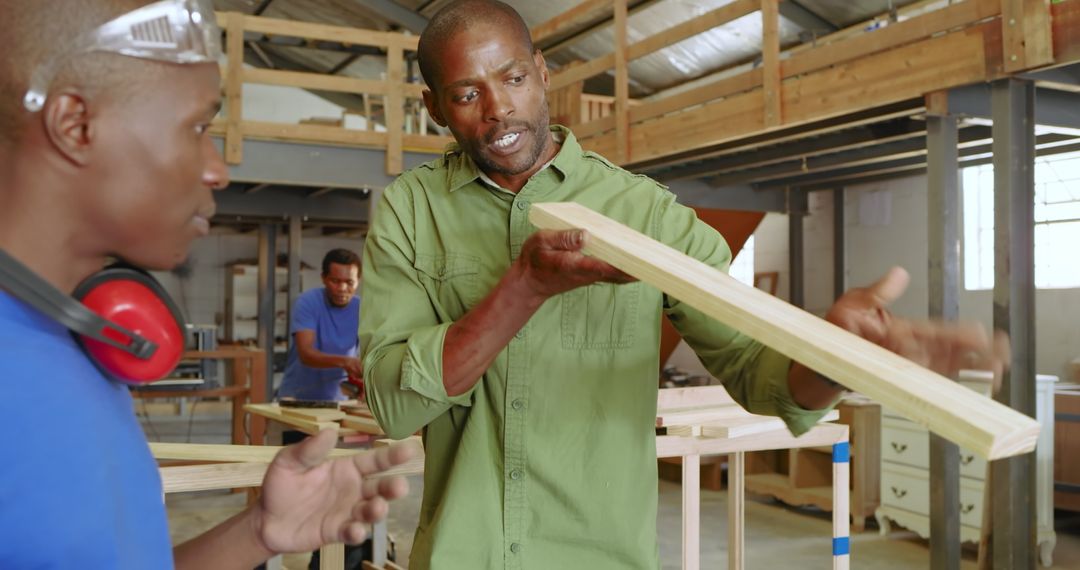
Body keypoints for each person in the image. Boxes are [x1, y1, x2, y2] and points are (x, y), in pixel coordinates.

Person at [360, 1, 1005, 568]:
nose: (499, 108)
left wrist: (836, 354)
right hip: (462, 559)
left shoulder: (647, 215)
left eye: (514, 78)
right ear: (436, 108)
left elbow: (761, 375)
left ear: (543, 73)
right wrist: (524, 287)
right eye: (467, 94)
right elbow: (396, 403)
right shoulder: (410, 215)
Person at [0, 1, 416, 568]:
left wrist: (258, 533)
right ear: (76, 124)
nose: (217, 168)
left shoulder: (78, 341)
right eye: (198, 127)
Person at [278, 248, 364, 407]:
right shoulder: (308, 302)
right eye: (335, 281)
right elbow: (306, 354)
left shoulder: (363, 309)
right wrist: (346, 362)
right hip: (298, 399)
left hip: (341, 401)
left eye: (349, 282)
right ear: (323, 278)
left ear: (358, 280)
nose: (342, 288)